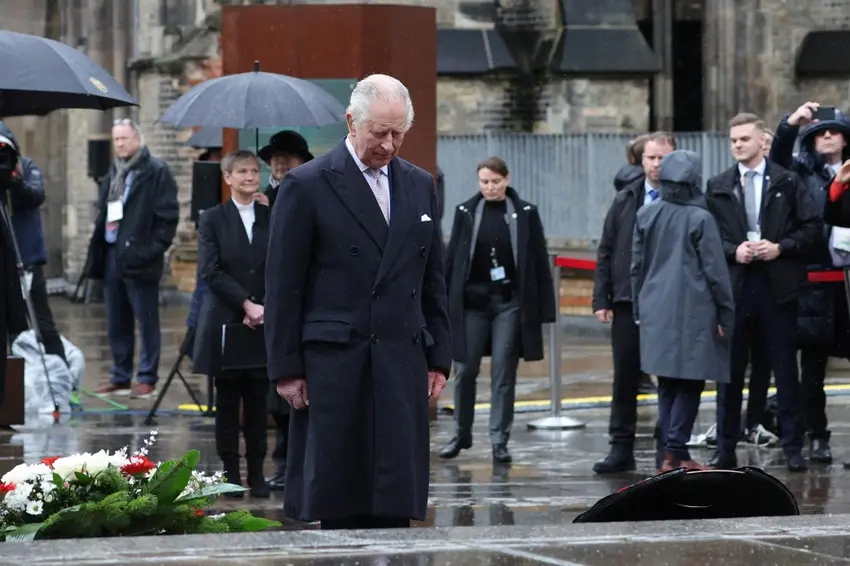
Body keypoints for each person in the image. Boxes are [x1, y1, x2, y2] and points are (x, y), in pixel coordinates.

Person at [265, 74, 451, 530]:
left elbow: (432, 277)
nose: (388, 145)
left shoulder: (419, 184)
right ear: (351, 122)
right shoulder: (307, 185)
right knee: (341, 500)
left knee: (393, 497)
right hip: (335, 361)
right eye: (379, 133)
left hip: (399, 355)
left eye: (398, 133)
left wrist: (439, 357)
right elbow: (284, 284)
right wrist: (286, 369)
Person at [706, 112, 821, 472]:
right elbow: (710, 237)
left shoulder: (786, 181)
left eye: (744, 139)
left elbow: (812, 227)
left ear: (761, 142)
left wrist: (780, 247)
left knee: (785, 370)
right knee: (730, 373)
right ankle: (724, 447)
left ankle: (791, 446)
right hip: (738, 287)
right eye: (733, 140)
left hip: (777, 286)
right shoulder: (718, 184)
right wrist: (733, 250)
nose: (738, 144)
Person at [439, 156, 556, 463]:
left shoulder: (525, 212)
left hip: (509, 303)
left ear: (507, 179)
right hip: (473, 304)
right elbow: (453, 259)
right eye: (484, 182)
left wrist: (545, 308)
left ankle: (499, 440)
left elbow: (539, 259)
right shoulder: (466, 211)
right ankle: (461, 434)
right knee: (465, 370)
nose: (489, 187)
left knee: (504, 371)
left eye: (495, 181)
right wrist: (442, 301)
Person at [631, 150, 735, 473]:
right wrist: (726, 314)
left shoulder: (646, 214)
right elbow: (716, 272)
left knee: (667, 382)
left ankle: (670, 451)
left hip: (655, 308)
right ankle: (675, 450)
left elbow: (636, 267)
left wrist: (638, 308)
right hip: (695, 310)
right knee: (691, 381)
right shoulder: (700, 218)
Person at [768, 102, 850, 463]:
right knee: (812, 368)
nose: (827, 136)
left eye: (833, 130)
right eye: (819, 132)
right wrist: (790, 125)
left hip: (848, 283)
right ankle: (817, 435)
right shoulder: (801, 173)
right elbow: (778, 158)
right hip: (815, 281)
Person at [591, 131, 676, 474]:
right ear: (641, 161)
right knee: (625, 376)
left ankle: (667, 446)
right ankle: (620, 447)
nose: (656, 165)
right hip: (628, 300)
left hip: (670, 301)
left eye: (663, 158)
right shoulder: (626, 198)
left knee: (669, 377)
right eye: (651, 158)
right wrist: (602, 297)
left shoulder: (685, 198)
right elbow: (607, 249)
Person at [193, 150, 271, 499]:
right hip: (227, 318)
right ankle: (231, 473)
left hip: (264, 321)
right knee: (227, 401)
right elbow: (211, 269)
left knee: (258, 399)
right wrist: (245, 303)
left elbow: (279, 263)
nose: (249, 177)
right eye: (241, 171)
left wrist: (263, 306)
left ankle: (257, 473)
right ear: (227, 178)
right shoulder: (212, 218)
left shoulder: (271, 215)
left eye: (254, 171)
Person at [88, 119, 179, 399]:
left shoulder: (156, 171)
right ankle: (121, 375)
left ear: (138, 139)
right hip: (114, 254)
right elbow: (104, 211)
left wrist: (149, 251)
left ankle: (147, 376)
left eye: (125, 139)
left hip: (141, 258)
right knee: (116, 320)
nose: (120, 144)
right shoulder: (114, 171)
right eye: (116, 140)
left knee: (146, 318)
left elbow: (167, 220)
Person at [257, 130, 314, 491]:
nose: (279, 163)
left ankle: (297, 466)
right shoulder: (262, 200)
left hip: (299, 307)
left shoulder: (307, 192)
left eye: (287, 158)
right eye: (275, 158)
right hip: (265, 305)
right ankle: (281, 465)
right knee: (276, 398)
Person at [0, 122, 67, 366]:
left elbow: (36, 196)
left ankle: (63, 380)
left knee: (43, 324)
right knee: (11, 328)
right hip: (4, 262)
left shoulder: (26, 167)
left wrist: (14, 181)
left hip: (27, 259)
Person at [258, 130, 314, 209]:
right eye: (276, 157)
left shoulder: (313, 192)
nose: (280, 162)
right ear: (269, 162)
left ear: (303, 162)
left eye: (287, 156)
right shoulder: (265, 194)